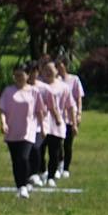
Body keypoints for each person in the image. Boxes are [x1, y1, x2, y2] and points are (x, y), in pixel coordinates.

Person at [0, 63, 42, 197]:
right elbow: (2, 109)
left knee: (24, 157)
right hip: (12, 131)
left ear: (27, 76)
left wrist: (43, 128)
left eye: (21, 75)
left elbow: (39, 111)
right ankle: (20, 185)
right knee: (16, 160)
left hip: (28, 130)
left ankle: (25, 183)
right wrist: (3, 123)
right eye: (15, 75)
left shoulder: (34, 91)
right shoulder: (8, 91)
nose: (18, 78)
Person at [34, 57, 67, 187]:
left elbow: (69, 105)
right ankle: (42, 172)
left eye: (51, 69)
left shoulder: (63, 87)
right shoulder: (38, 85)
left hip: (56, 124)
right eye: (45, 69)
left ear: (56, 71)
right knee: (39, 150)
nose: (48, 72)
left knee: (54, 152)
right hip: (40, 124)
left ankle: (51, 176)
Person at [58, 58, 85, 176]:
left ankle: (66, 168)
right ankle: (59, 163)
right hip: (58, 116)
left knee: (68, 143)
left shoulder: (74, 79)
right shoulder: (55, 81)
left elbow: (78, 98)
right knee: (57, 143)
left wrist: (79, 113)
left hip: (70, 116)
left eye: (60, 66)